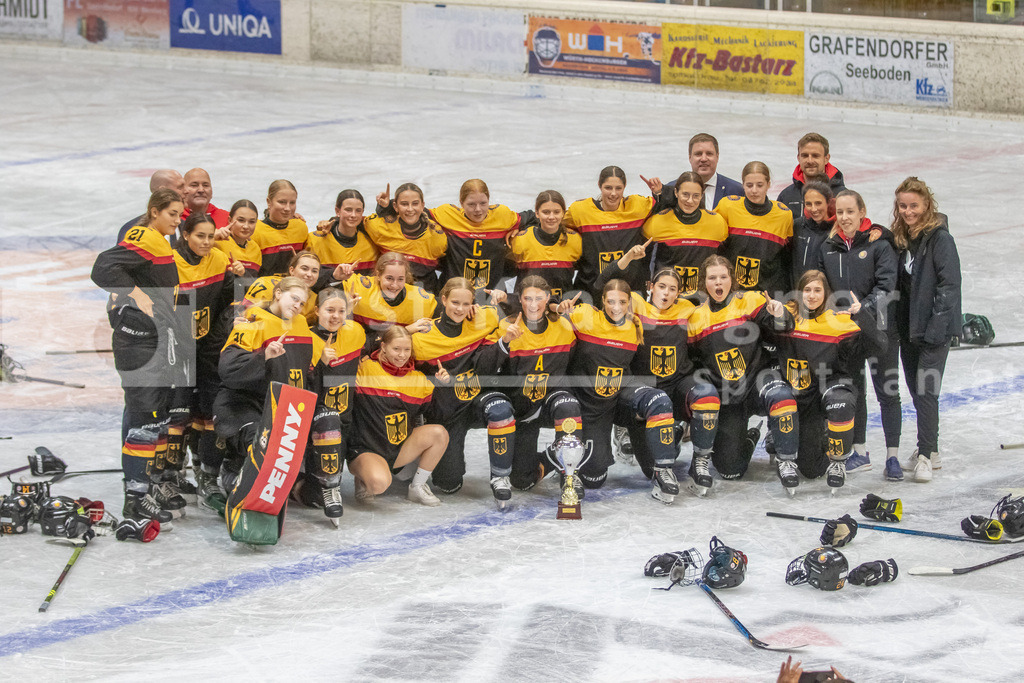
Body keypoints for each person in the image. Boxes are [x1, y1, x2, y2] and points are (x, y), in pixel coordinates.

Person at [91, 189, 189, 524]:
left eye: (180, 216)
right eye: (172, 214)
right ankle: (135, 499)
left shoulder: (160, 239)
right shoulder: (144, 236)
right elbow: (103, 267)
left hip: (156, 340)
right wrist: (132, 293)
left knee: (155, 420)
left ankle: (146, 489)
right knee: (145, 423)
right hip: (139, 344)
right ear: (154, 211)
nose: (177, 222)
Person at [596, 252, 720, 496]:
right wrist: (627, 259)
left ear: (679, 293)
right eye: (661, 286)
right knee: (649, 467)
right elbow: (604, 285)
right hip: (644, 390)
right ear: (650, 287)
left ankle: (699, 463)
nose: (666, 293)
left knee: (708, 395)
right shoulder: (634, 303)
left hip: (677, 384)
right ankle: (666, 442)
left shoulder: (688, 309)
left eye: (673, 289)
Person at [687, 255, 800, 494]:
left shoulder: (750, 300)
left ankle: (786, 459)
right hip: (728, 396)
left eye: (723, 277)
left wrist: (780, 313)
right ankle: (751, 437)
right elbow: (692, 363)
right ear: (703, 283)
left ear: (732, 280)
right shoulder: (695, 318)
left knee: (780, 396)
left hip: (758, 382)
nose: (718, 283)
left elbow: (784, 327)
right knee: (730, 470)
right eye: (712, 278)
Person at [567, 279, 681, 501]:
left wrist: (645, 409)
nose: (616, 307)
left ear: (630, 303)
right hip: (592, 406)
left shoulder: (634, 326)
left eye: (622, 302)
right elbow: (551, 318)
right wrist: (555, 305)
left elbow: (638, 367)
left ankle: (663, 469)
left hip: (621, 397)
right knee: (594, 479)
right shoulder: (584, 316)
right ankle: (562, 455)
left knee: (658, 399)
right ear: (602, 300)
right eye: (610, 301)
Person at [412, 278, 518, 504]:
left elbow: (529, 305)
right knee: (448, 486)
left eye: (465, 303)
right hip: (448, 413)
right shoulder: (422, 338)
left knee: (500, 409)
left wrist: (505, 333)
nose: (460, 309)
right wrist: (433, 381)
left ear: (473, 304)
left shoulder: (486, 317)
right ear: (443, 300)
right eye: (454, 302)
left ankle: (500, 478)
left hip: (478, 400)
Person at [776, 270, 884, 492]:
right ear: (800, 292)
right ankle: (818, 440)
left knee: (841, 403)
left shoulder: (839, 320)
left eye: (818, 290)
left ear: (826, 294)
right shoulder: (788, 317)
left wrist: (862, 315)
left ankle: (838, 462)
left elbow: (880, 346)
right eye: (807, 290)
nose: (812, 295)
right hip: (804, 397)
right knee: (811, 469)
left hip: (833, 386)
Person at [817, 189, 899, 478]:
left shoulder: (879, 244)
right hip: (847, 333)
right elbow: (820, 286)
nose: (844, 217)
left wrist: (861, 308)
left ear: (862, 212)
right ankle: (860, 452)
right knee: (857, 392)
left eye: (850, 211)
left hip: (879, 329)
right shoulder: (829, 246)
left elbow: (887, 287)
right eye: (839, 212)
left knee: (887, 391)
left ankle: (893, 456)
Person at [166, 213, 242, 514]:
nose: (207, 242)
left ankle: (208, 476)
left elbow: (228, 305)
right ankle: (168, 476)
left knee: (213, 414)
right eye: (200, 236)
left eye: (211, 236)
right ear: (185, 235)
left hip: (209, 350)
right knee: (177, 416)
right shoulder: (170, 263)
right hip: (178, 352)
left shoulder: (220, 260)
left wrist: (236, 278)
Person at [213, 277, 315, 493]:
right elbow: (228, 370)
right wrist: (264, 356)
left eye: (302, 303)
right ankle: (232, 474)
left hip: (279, 407)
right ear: (278, 293)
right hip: (241, 404)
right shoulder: (252, 321)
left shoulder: (302, 325)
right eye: (294, 298)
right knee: (262, 444)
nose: (297, 306)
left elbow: (306, 372)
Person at [891, 177, 962, 483]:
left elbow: (949, 286)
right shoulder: (901, 237)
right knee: (916, 391)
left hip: (934, 329)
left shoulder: (940, 239)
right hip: (909, 328)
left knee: (926, 391)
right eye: (903, 206)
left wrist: (937, 327)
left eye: (914, 206)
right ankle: (928, 449)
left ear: (927, 205)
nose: (908, 212)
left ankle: (926, 456)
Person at [490, 276, 581, 492]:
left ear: (548, 298)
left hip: (552, 400)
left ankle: (570, 475)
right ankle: (552, 456)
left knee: (568, 405)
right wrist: (504, 342)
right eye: (527, 298)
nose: (533, 304)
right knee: (522, 481)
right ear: (518, 300)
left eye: (539, 298)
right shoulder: (506, 326)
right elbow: (488, 367)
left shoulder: (564, 326)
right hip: (523, 407)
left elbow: (575, 362)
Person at [349, 326, 447, 506]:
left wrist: (442, 387)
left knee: (439, 433)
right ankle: (363, 476)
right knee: (378, 484)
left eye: (406, 350)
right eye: (396, 349)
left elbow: (436, 412)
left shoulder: (418, 379)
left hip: (398, 449)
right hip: (366, 448)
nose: (402, 355)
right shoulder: (365, 368)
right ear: (383, 347)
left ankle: (417, 487)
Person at [293, 288, 367, 523]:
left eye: (341, 311)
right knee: (314, 498)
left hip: (344, 422)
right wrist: (318, 364)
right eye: (329, 310)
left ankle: (326, 483)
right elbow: (301, 387)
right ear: (316, 311)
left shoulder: (355, 332)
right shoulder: (306, 339)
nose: (335, 316)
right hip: (313, 423)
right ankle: (303, 485)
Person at [564, 166, 656, 300]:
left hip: (630, 291)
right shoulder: (581, 211)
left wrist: (660, 192)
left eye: (618, 188)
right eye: (608, 188)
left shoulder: (638, 206)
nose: (613, 193)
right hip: (591, 290)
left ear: (624, 187)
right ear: (599, 186)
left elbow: (669, 203)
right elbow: (552, 221)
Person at [641, 171, 729, 300]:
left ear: (702, 195)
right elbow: (644, 259)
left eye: (696, 196)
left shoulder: (717, 224)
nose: (690, 201)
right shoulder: (657, 223)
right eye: (685, 195)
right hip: (667, 299)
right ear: (676, 193)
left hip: (703, 300)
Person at [429, 179, 522, 297]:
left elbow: (533, 218)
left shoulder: (502, 216)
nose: (478, 209)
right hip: (452, 298)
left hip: (490, 297)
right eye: (471, 204)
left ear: (489, 201)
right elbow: (416, 214)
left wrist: (518, 228)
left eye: (483, 203)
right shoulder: (448, 215)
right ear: (461, 203)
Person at [716, 161, 794, 297]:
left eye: (760, 185)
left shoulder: (783, 215)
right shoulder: (727, 207)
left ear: (768, 184)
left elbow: (786, 258)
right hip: (732, 294)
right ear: (742, 184)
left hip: (766, 295)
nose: (754, 190)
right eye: (749, 185)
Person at [366, 182, 448, 293]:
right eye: (404, 204)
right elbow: (352, 221)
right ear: (395, 206)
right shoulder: (379, 227)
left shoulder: (436, 237)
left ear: (422, 205)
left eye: (415, 204)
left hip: (423, 297)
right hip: (389, 293)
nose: (410, 209)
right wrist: (383, 208)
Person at [342, 252, 438, 341]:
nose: (394, 285)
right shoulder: (358, 288)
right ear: (378, 275)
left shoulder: (420, 300)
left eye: (400, 279)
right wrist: (336, 278)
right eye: (389, 278)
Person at [508, 190, 582, 300]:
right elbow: (504, 271)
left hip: (562, 308)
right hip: (529, 308)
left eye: (556, 212)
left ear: (563, 213)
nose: (551, 217)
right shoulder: (521, 240)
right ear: (537, 213)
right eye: (546, 212)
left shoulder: (574, 240)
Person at [306, 189, 379, 285]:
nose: (353, 215)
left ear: (362, 213)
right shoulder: (316, 240)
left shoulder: (371, 240)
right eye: (348, 210)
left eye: (358, 211)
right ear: (337, 211)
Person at [661, 133, 743, 211]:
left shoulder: (737, 191)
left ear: (717, 157)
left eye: (709, 154)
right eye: (698, 154)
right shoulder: (670, 190)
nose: (704, 159)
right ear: (690, 158)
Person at [242, 251, 322, 324]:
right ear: (292, 270)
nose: (309, 274)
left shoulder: (315, 301)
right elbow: (243, 315)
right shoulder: (265, 284)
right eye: (304, 269)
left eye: (314, 271)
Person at [776, 133, 846, 217]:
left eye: (815, 156)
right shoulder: (786, 196)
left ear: (826, 158)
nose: (810, 161)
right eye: (805, 156)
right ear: (798, 158)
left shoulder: (842, 196)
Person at [253, 179, 309, 277]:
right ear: (269, 202)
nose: (288, 208)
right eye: (282, 202)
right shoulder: (255, 230)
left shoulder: (300, 227)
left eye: (292, 203)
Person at [116, 169, 185, 243]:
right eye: (180, 187)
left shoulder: (186, 226)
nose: (186, 191)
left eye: (180, 215)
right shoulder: (131, 230)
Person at [790, 181, 835, 284]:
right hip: (796, 295)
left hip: (825, 296)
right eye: (808, 204)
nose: (813, 209)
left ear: (828, 202)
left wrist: (878, 230)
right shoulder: (796, 226)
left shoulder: (837, 230)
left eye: (818, 203)